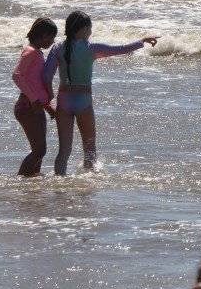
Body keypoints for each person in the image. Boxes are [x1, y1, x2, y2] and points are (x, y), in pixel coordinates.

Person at [43, 10, 159, 175]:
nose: (91, 32)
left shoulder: (58, 48)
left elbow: (46, 77)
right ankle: (87, 187)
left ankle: (59, 188)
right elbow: (120, 49)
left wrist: (49, 99)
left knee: (64, 152)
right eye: (90, 29)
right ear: (84, 29)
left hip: (63, 101)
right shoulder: (91, 48)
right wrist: (142, 41)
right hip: (83, 100)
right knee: (89, 148)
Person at [12, 17, 58, 176]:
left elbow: (36, 85)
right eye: (52, 37)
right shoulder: (30, 51)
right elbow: (17, 76)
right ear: (44, 35)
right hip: (26, 107)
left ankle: (32, 182)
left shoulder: (37, 53)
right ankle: (20, 181)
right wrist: (35, 100)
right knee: (39, 150)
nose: (53, 41)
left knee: (40, 151)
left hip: (35, 107)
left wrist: (48, 107)